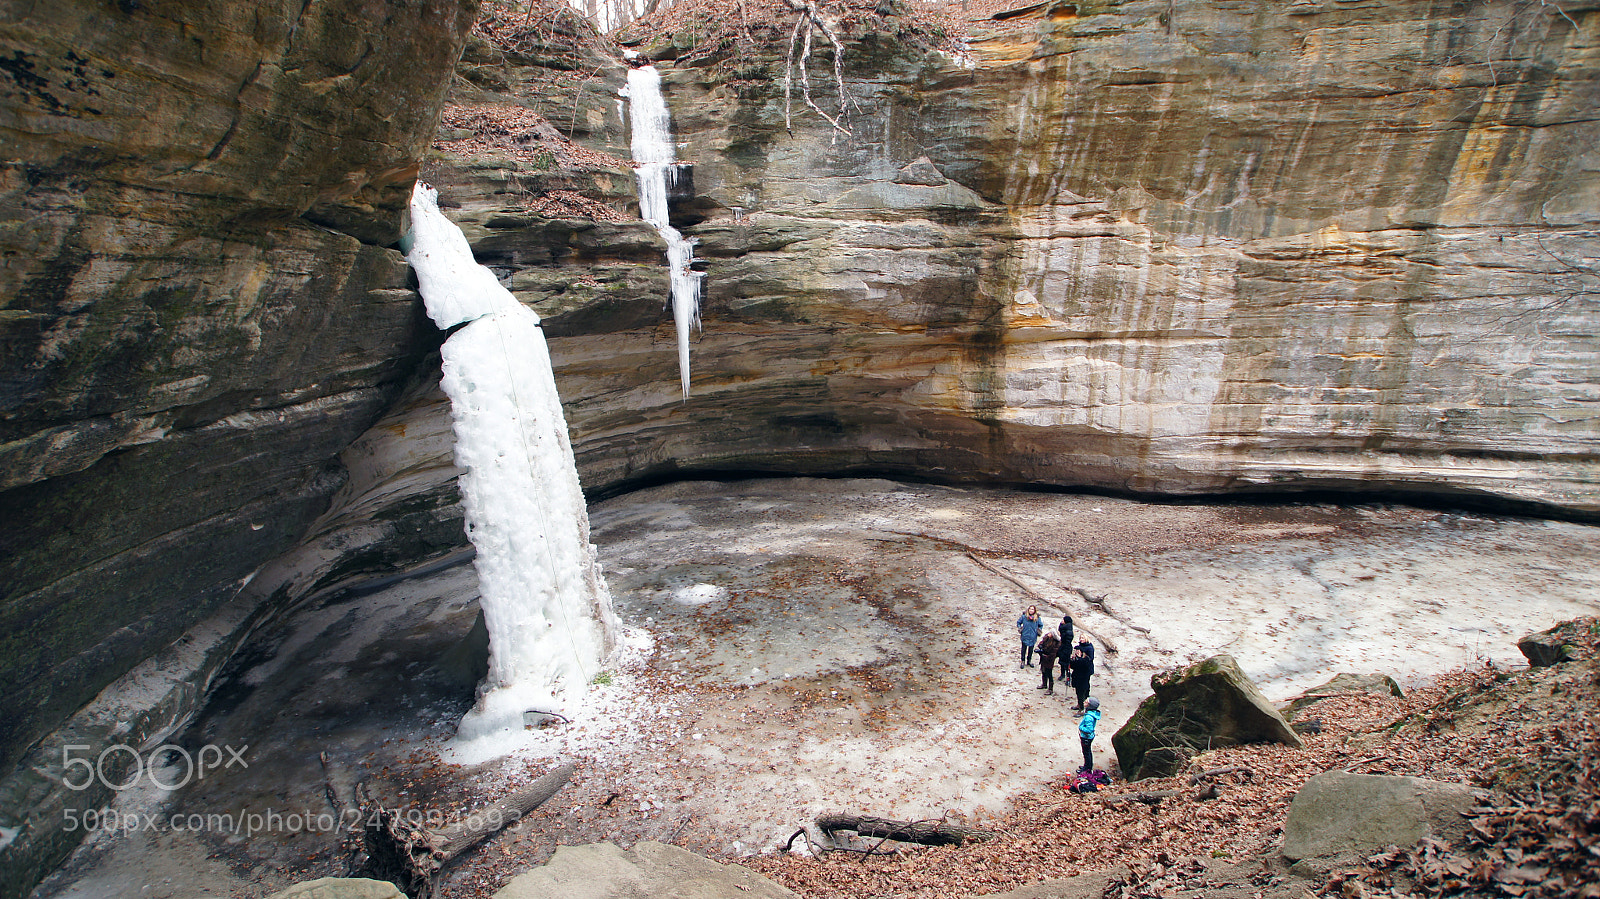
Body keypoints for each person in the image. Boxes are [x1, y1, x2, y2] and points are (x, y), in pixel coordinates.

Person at [1068, 636, 1095, 712]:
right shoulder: (1078, 648)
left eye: (1083, 638)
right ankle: (1080, 704)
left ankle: (1082, 707)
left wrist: (1079, 658)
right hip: (1077, 673)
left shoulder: (1089, 649)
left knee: (1082, 690)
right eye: (1080, 638)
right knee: (1078, 690)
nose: (1081, 639)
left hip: (1084, 674)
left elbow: (1086, 663)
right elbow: (1074, 664)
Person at [1078, 697, 1101, 772]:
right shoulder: (1090, 714)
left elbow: (1089, 729)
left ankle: (1087, 768)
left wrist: (1081, 728)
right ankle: (1087, 766)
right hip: (1088, 737)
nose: (1084, 702)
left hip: (1086, 738)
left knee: (1086, 753)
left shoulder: (1088, 717)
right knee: (1087, 752)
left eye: (1086, 702)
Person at [1057, 615, 1074, 684]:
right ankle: (1062, 674)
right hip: (1062, 647)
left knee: (1066, 664)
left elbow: (1067, 640)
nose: (1062, 621)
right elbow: (1060, 629)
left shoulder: (1068, 631)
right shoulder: (1064, 628)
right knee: (1061, 662)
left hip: (1066, 648)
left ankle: (1068, 677)